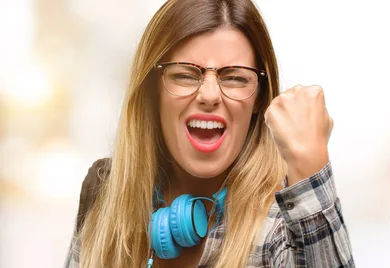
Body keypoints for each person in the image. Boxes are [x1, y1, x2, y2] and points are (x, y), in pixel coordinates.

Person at [63, 0, 354, 267]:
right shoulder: (103, 193)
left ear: (259, 101)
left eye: (235, 77)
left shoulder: (282, 227)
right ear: (153, 93)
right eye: (185, 74)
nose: (210, 95)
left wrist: (310, 168)